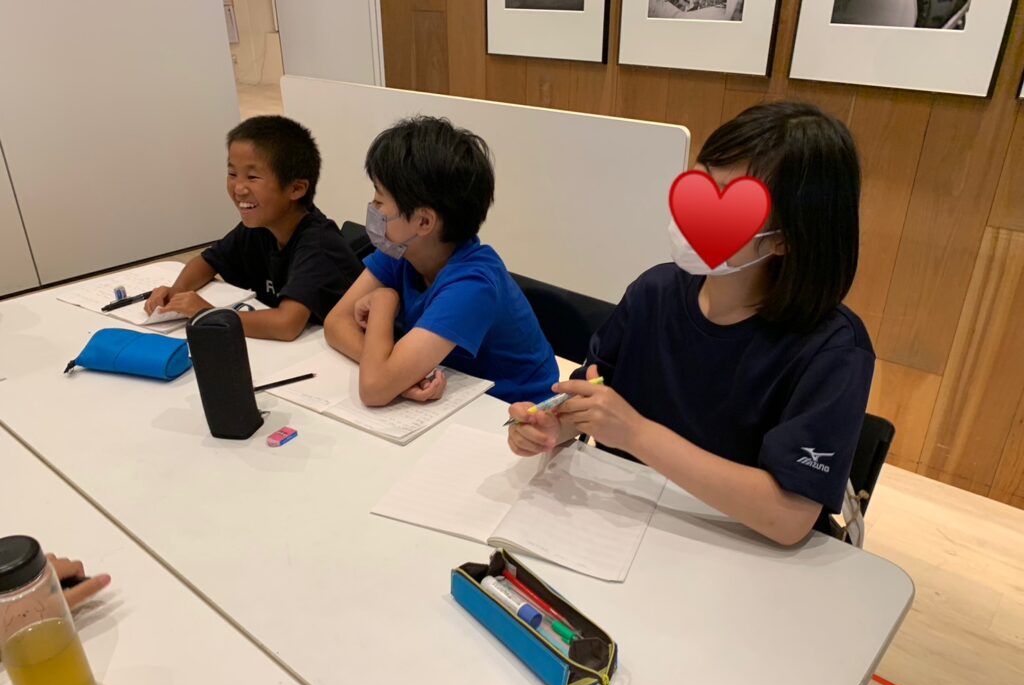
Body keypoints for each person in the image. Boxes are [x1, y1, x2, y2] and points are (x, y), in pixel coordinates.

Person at [507, 102, 874, 547]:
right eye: (699, 189)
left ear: (783, 239)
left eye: (728, 204)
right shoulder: (654, 292)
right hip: (622, 527)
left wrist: (637, 434)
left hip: (738, 552)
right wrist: (556, 428)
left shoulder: (833, 349)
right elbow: (591, 397)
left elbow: (789, 518)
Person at [324, 116, 558, 406]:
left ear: (423, 221)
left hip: (514, 416)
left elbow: (374, 389)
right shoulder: (402, 249)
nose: (373, 208)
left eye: (380, 201)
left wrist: (384, 301)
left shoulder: (472, 284)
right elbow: (336, 322)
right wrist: (399, 375)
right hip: (456, 405)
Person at [144, 116, 363, 340]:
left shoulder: (319, 244)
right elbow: (208, 261)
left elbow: (286, 325)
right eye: (232, 174)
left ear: (296, 189)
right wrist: (177, 291)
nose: (239, 188)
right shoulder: (260, 226)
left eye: (252, 177)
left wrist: (208, 313)